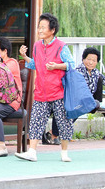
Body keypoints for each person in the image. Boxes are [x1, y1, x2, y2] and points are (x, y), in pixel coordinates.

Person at [15, 13, 75, 162]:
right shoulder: (36, 46)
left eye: (43, 27)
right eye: (39, 27)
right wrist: (25, 57)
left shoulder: (61, 46)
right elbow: (36, 64)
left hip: (58, 92)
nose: (40, 30)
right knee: (36, 121)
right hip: (41, 91)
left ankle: (64, 153)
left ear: (52, 29)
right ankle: (32, 152)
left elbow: (71, 65)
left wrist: (57, 66)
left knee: (63, 123)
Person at [45, 47, 103, 145]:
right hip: (72, 99)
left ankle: (53, 134)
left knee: (77, 110)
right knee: (70, 110)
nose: (91, 62)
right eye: (88, 59)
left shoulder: (97, 74)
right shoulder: (77, 72)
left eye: (94, 60)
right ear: (83, 59)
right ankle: (53, 134)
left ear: (97, 62)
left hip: (86, 102)